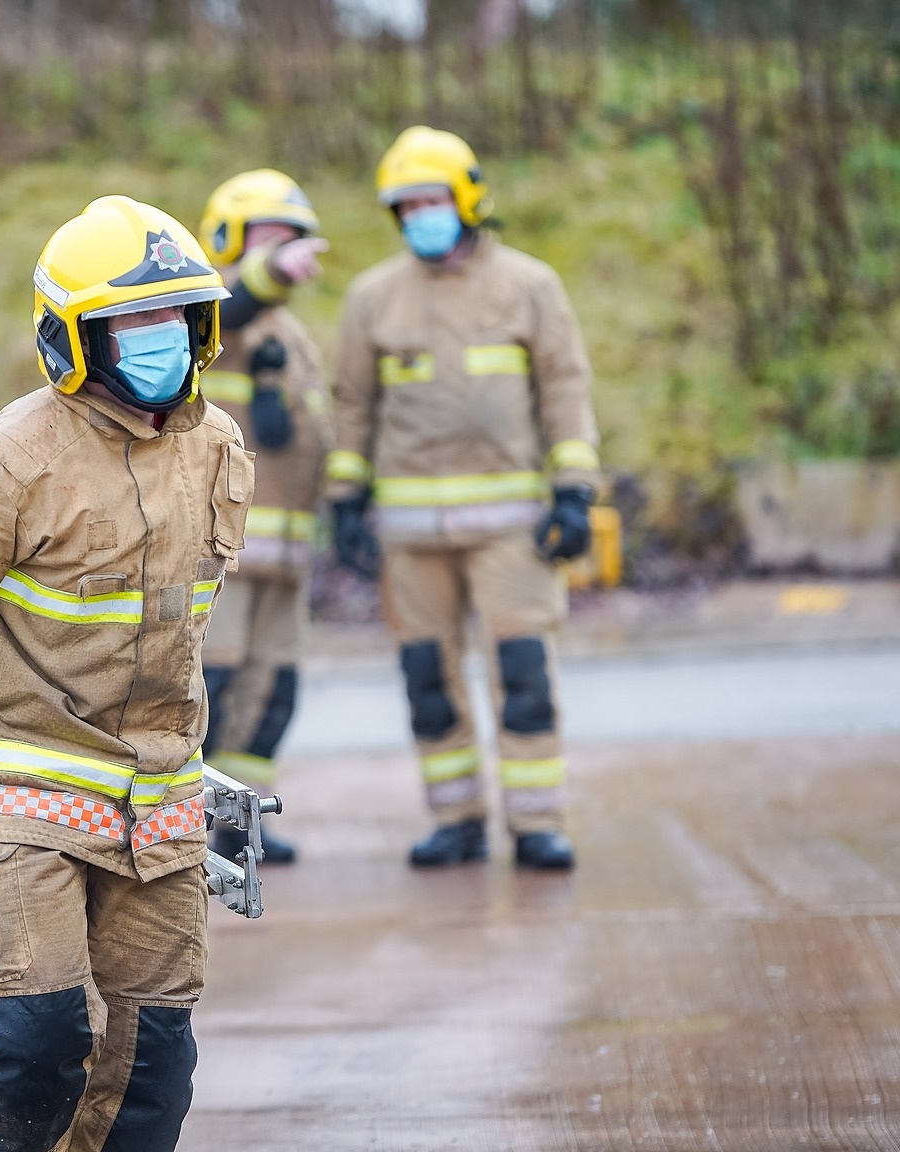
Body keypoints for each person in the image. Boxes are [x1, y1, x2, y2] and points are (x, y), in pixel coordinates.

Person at [0, 196, 250, 1152]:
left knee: (152, 1070)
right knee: (36, 1041)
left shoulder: (216, 447)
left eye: (173, 318)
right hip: (21, 783)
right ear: (71, 338)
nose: (159, 342)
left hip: (156, 797)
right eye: (130, 324)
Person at [328, 127, 600, 872]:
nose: (421, 215)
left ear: (468, 198)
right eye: (406, 205)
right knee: (429, 682)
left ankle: (538, 824)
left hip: (514, 530)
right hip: (411, 536)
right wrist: (345, 500)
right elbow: (352, 404)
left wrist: (574, 491)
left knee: (523, 676)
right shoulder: (372, 298)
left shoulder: (531, 286)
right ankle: (457, 820)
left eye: (432, 199)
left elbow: (565, 388)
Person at [193, 168, 331, 864]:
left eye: (291, 239)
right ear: (227, 237)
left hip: (286, 556)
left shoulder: (296, 337)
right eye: (268, 237)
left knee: (272, 693)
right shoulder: (207, 314)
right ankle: (183, 826)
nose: (284, 252)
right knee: (209, 692)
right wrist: (267, 274)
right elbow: (239, 301)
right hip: (223, 555)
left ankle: (242, 823)